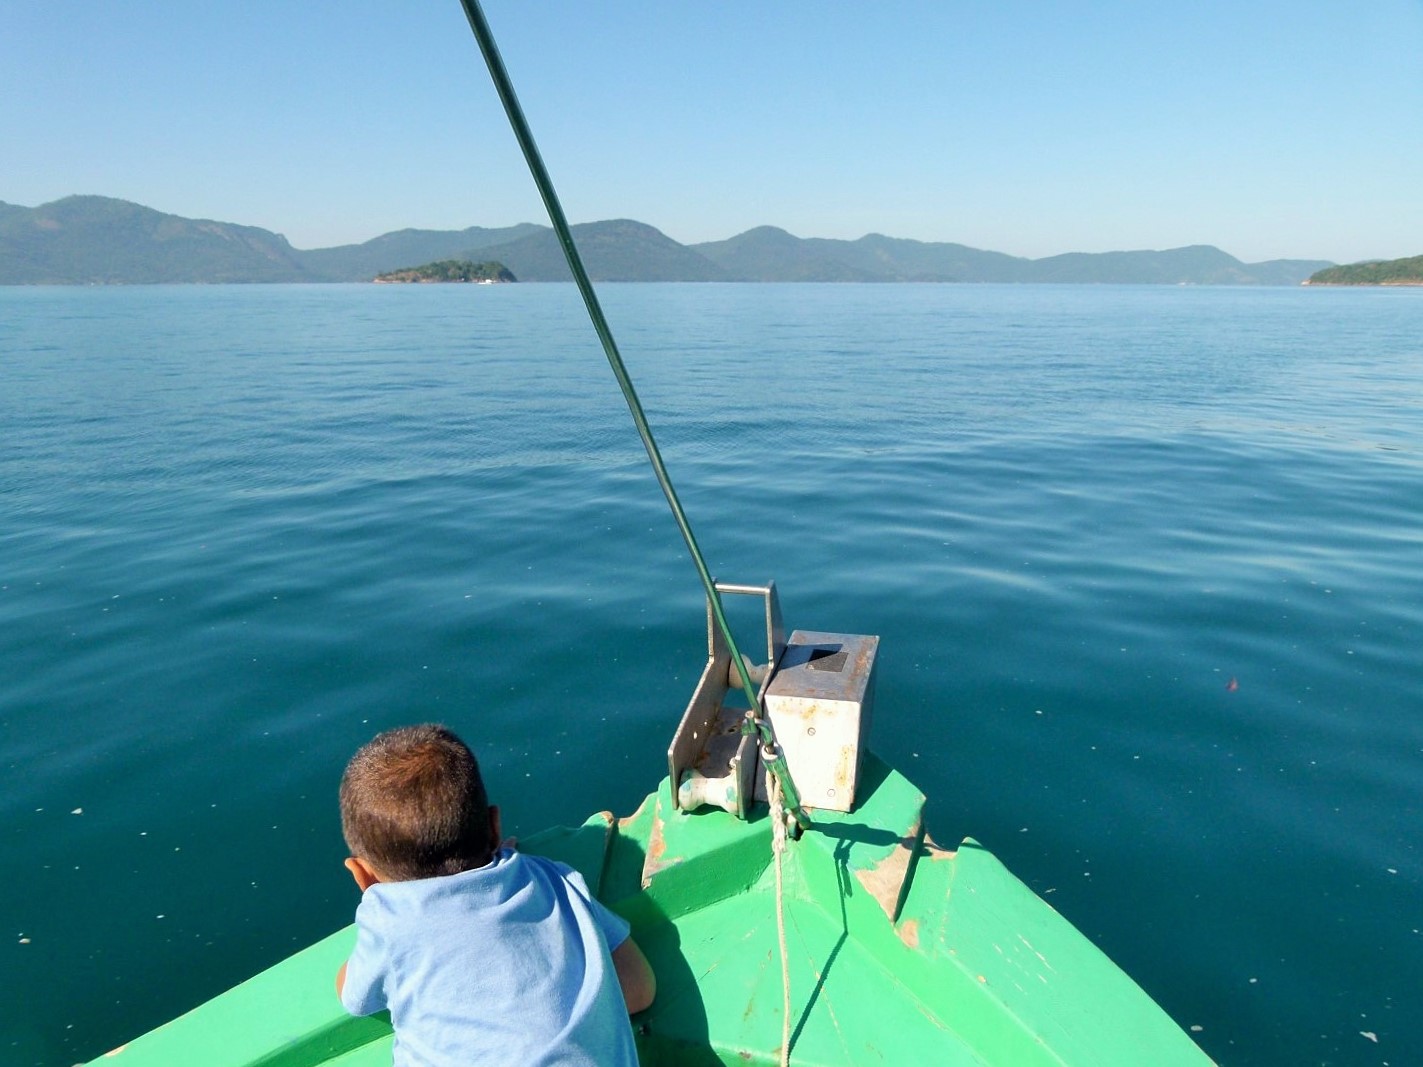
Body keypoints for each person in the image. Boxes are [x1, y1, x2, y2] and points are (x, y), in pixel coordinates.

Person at [336, 723, 655, 1066]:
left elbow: (353, 996)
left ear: (362, 874)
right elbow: (640, 989)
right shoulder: (554, 880)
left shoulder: (387, 923)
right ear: (494, 825)